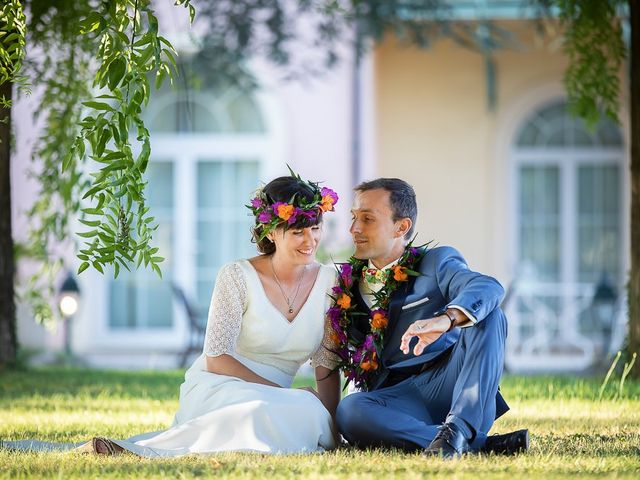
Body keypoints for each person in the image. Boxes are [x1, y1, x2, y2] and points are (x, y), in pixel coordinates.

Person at [4, 173, 342, 456]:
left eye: (315, 228)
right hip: (224, 385)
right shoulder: (237, 275)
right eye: (298, 231)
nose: (309, 240)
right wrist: (282, 393)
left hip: (280, 400)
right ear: (270, 231)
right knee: (261, 411)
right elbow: (217, 359)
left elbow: (326, 363)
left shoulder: (330, 282)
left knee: (308, 411)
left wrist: (331, 422)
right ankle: (138, 450)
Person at [330, 178, 529, 458]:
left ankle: (460, 429)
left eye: (367, 219)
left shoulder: (436, 263)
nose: (354, 229)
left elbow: (488, 287)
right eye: (353, 218)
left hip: (450, 382)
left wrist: (447, 319)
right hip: (396, 399)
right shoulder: (344, 285)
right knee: (350, 411)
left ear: (402, 227)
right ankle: (475, 446)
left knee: (490, 316)